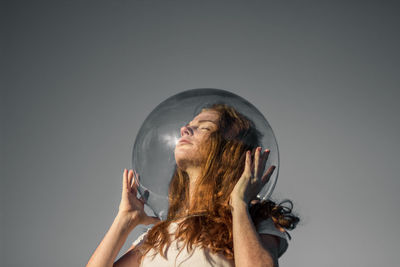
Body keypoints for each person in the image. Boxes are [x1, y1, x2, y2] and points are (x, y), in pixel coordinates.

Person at [86, 103, 299, 267]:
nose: (185, 129)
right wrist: (124, 221)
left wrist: (239, 205)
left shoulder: (254, 218)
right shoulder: (156, 237)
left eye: (204, 127)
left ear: (229, 151)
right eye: (189, 125)